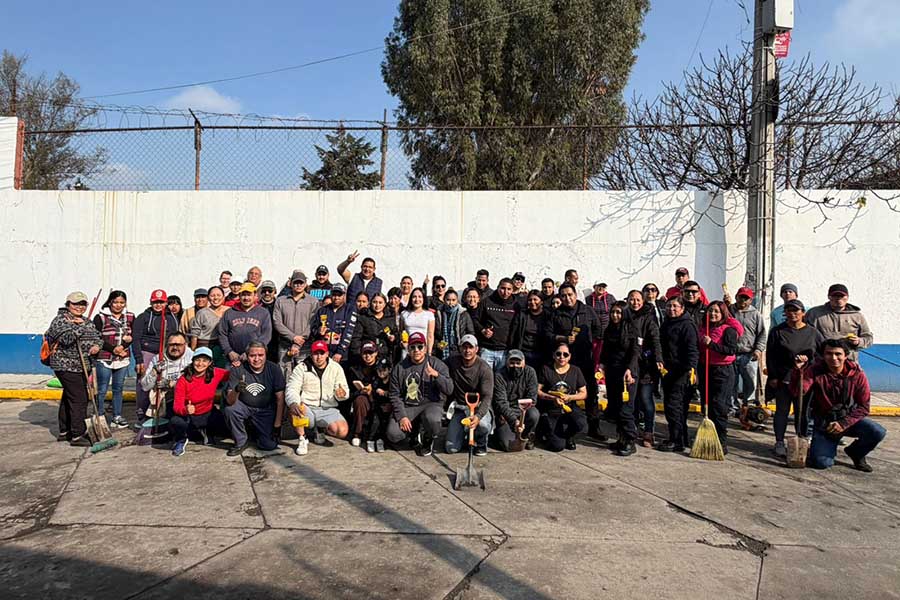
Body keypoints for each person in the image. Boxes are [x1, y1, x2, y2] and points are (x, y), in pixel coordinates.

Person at [791, 339, 886, 472]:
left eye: (838, 354)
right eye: (829, 354)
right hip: (825, 423)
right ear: (823, 355)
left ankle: (856, 453)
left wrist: (843, 424)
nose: (833, 358)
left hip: (849, 420)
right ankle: (825, 447)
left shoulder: (857, 374)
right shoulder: (815, 370)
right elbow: (798, 392)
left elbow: (864, 407)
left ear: (845, 356)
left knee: (877, 431)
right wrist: (798, 371)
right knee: (821, 463)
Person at [544, 283, 604, 440]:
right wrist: (563, 339)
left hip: (585, 359)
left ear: (575, 295)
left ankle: (594, 428)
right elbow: (547, 335)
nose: (567, 298)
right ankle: (569, 431)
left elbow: (598, 330)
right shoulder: (555, 314)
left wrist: (589, 344)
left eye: (570, 294)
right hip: (565, 362)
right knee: (567, 393)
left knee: (591, 393)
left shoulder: (587, 311)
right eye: (563, 295)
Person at [766, 299, 824, 458]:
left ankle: (802, 440)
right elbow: (771, 356)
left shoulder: (813, 333)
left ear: (803, 313)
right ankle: (779, 441)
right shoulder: (777, 331)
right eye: (789, 311)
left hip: (805, 380)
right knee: (782, 411)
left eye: (796, 310)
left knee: (803, 412)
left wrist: (809, 361)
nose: (792, 314)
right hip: (784, 378)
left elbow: (822, 354)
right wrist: (773, 376)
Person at [45, 291, 102, 446]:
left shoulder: (87, 320)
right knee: (79, 398)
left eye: (83, 304)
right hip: (66, 365)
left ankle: (65, 431)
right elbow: (66, 339)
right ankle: (78, 434)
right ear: (68, 304)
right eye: (76, 304)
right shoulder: (60, 320)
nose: (79, 307)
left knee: (69, 397)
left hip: (83, 365)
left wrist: (97, 346)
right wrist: (79, 327)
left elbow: (98, 337)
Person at [388, 332, 454, 455]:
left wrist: (437, 375)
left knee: (433, 420)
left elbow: (449, 389)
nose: (416, 350)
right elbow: (394, 394)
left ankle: (428, 438)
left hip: (431, 404)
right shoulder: (399, 368)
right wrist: (402, 416)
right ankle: (413, 433)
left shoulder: (437, 364)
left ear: (425, 348)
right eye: (413, 347)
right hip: (409, 406)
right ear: (408, 349)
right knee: (393, 434)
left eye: (420, 347)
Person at [285, 340, 350, 456]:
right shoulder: (301, 368)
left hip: (327, 408)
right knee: (294, 407)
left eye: (322, 353)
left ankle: (320, 429)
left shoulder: (336, 368)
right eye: (316, 353)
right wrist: (294, 402)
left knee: (342, 431)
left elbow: (344, 389)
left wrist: (342, 394)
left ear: (327, 354)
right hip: (307, 407)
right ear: (311, 354)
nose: (319, 357)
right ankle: (302, 438)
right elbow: (292, 388)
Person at [224, 342, 285, 456]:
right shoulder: (237, 369)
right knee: (230, 410)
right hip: (244, 405)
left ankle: (255, 432)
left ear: (266, 355)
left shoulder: (274, 369)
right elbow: (229, 401)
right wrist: (236, 390)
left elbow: (280, 399)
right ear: (247, 356)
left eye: (260, 355)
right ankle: (241, 441)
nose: (257, 359)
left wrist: (277, 425)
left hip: (266, 409)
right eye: (252, 356)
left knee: (268, 445)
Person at [697, 301, 742, 453]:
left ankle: (721, 440)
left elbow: (731, 350)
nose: (713, 314)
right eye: (710, 311)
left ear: (723, 314)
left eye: (716, 311)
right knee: (707, 405)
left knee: (719, 406)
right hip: (705, 368)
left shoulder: (728, 330)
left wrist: (712, 345)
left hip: (723, 371)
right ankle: (708, 437)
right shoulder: (703, 328)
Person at [133, 290, 181, 427]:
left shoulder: (171, 318)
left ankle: (160, 414)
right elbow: (136, 339)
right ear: (151, 302)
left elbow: (175, 337)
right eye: (155, 302)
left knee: (162, 383)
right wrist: (138, 359)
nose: (158, 305)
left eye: (161, 302)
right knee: (144, 383)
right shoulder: (143, 317)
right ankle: (141, 414)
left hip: (165, 353)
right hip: (147, 352)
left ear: (166, 303)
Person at [170, 347, 229, 457]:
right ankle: (181, 440)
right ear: (192, 361)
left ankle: (206, 432)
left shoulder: (215, 373)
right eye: (197, 360)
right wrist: (185, 409)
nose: (200, 364)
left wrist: (238, 366)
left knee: (226, 424)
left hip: (208, 414)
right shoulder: (183, 380)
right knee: (176, 422)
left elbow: (232, 374)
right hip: (189, 416)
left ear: (210, 363)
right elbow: (177, 406)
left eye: (204, 360)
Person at [658, 297, 699, 452]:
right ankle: (680, 437)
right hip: (668, 371)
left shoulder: (687, 325)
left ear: (682, 308)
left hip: (681, 372)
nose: (671, 309)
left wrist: (690, 369)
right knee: (673, 407)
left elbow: (692, 349)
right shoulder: (667, 323)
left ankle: (677, 441)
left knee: (674, 406)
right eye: (669, 306)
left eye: (675, 306)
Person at [599, 302, 640, 456]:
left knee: (625, 409)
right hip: (612, 372)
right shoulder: (609, 329)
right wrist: (602, 364)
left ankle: (630, 440)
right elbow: (605, 350)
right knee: (615, 407)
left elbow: (635, 352)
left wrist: (630, 370)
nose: (615, 315)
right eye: (613, 312)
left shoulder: (632, 329)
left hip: (627, 374)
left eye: (618, 312)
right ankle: (621, 438)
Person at [445, 334, 494, 455]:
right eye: (464, 347)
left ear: (476, 349)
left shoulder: (484, 369)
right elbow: (439, 366)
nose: (467, 351)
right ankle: (463, 437)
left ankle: (481, 443)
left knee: (482, 425)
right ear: (460, 348)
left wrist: (478, 416)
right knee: (451, 449)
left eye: (470, 347)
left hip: (479, 407)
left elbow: (487, 397)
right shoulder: (452, 361)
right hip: (460, 408)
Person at [625, 290, 662, 448]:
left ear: (642, 301)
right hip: (629, 365)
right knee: (632, 400)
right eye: (632, 299)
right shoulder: (624, 316)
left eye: (638, 299)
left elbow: (655, 339)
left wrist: (658, 358)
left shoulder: (648, 317)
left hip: (646, 365)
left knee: (646, 399)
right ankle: (632, 430)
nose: (635, 303)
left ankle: (648, 431)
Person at [92, 290, 134, 429]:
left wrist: (122, 347)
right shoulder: (101, 317)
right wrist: (113, 349)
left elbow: (132, 335)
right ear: (110, 302)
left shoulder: (130, 317)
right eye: (115, 302)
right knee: (102, 388)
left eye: (122, 302)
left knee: (118, 388)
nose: (118, 305)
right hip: (105, 358)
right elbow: (97, 337)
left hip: (122, 358)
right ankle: (99, 415)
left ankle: (117, 416)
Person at [536, 342, 588, 452]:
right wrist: (552, 398)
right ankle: (545, 431)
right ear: (553, 355)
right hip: (551, 409)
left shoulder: (576, 370)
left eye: (565, 354)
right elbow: (537, 390)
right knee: (557, 446)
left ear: (570, 356)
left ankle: (568, 436)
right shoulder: (546, 369)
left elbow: (583, 393)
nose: (562, 357)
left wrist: (570, 397)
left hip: (569, 407)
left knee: (581, 423)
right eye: (558, 354)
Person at [804, 284, 873, 362]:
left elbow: (868, 338)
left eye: (842, 296)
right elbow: (805, 336)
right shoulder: (814, 313)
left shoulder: (857, 316)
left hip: (849, 361)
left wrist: (858, 341)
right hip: (822, 361)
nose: (838, 298)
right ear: (829, 297)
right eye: (835, 296)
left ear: (847, 297)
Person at [140, 332, 194, 425]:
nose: (175, 348)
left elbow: (194, 383)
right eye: (172, 345)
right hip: (164, 401)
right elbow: (145, 386)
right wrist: (154, 372)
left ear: (185, 344)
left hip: (185, 400)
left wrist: (171, 384)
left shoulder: (191, 357)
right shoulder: (158, 358)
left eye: (179, 345)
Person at [728, 287, 766, 415]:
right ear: (736, 297)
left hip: (749, 354)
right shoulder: (729, 311)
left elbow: (762, 334)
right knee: (731, 382)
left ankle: (748, 407)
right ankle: (733, 408)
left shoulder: (756, 314)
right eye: (741, 297)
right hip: (731, 353)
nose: (743, 301)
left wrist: (758, 350)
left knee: (750, 382)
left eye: (746, 298)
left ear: (750, 300)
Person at [492, 350, 540, 451]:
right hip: (506, 413)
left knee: (534, 414)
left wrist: (521, 419)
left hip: (524, 410)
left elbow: (532, 399)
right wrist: (514, 420)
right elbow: (500, 402)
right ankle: (500, 435)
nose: (515, 366)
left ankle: (526, 436)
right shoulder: (499, 375)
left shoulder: (530, 372)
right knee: (507, 446)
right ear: (506, 362)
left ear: (524, 362)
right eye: (512, 363)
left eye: (518, 363)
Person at [273, 270, 319, 376]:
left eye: (301, 282)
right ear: (291, 283)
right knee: (284, 375)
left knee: (304, 375)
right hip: (285, 345)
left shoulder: (313, 301)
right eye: (296, 282)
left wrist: (299, 341)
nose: (298, 285)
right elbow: (277, 322)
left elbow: (313, 323)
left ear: (305, 284)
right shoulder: (280, 301)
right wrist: (293, 337)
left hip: (305, 346)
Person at [219, 283, 272, 368]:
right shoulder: (229, 313)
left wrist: (251, 352)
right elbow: (222, 333)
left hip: (255, 358)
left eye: (249, 295)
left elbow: (266, 335)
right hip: (233, 358)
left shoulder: (263, 313)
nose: (246, 298)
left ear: (255, 295)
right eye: (243, 295)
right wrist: (229, 351)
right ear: (239, 296)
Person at [471, 278, 519, 372]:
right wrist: (482, 330)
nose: (505, 292)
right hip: (487, 349)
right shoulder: (486, 301)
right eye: (503, 288)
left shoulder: (516, 305)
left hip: (505, 350)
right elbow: (475, 319)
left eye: (509, 289)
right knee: (485, 377)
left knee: (500, 378)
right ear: (497, 287)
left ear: (512, 290)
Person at [346, 341, 385, 449]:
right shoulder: (354, 369)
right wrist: (361, 391)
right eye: (365, 353)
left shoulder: (383, 367)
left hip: (378, 398)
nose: (368, 356)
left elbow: (387, 387)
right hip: (362, 397)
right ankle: (357, 433)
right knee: (360, 400)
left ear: (376, 353)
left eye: (370, 353)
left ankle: (378, 435)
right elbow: (349, 392)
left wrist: (373, 390)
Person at [312, 282, 357, 364]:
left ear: (344, 295)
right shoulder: (322, 310)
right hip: (324, 354)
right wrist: (318, 331)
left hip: (342, 356)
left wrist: (340, 352)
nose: (336, 297)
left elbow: (349, 332)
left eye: (339, 295)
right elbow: (313, 329)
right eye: (334, 294)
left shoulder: (349, 309)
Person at [351, 292, 400, 364]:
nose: (377, 305)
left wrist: (394, 337)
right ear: (370, 303)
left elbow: (397, 335)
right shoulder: (364, 318)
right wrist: (359, 355)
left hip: (385, 356)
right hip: (368, 355)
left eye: (380, 302)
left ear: (385, 304)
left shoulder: (390, 318)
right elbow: (356, 339)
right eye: (375, 302)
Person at [189, 286, 229, 366]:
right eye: (212, 295)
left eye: (218, 295)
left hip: (222, 347)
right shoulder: (202, 313)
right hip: (205, 346)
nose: (215, 298)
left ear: (223, 297)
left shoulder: (229, 311)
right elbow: (194, 334)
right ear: (208, 298)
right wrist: (193, 352)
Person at [511, 290, 551, 368]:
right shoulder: (522, 315)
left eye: (535, 299)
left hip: (541, 353)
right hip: (523, 351)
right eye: (530, 300)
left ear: (541, 301)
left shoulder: (547, 316)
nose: (532, 302)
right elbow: (514, 333)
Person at [437, 289, 475, 361]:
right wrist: (438, 344)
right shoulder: (439, 313)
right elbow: (435, 332)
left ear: (457, 301)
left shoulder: (464, 314)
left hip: (458, 349)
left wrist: (466, 345)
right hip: (443, 349)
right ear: (444, 300)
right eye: (448, 300)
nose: (450, 302)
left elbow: (470, 332)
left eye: (453, 300)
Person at [402, 288, 436, 355]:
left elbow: (430, 335)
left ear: (423, 299)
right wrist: (403, 343)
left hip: (422, 349)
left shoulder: (429, 314)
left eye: (420, 297)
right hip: (408, 349)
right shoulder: (404, 314)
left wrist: (429, 352)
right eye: (414, 297)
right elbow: (401, 331)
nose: (417, 299)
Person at [257, 280, 280, 362]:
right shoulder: (256, 306)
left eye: (270, 291)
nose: (267, 293)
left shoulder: (280, 305)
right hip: (261, 340)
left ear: (275, 291)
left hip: (277, 341)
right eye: (264, 291)